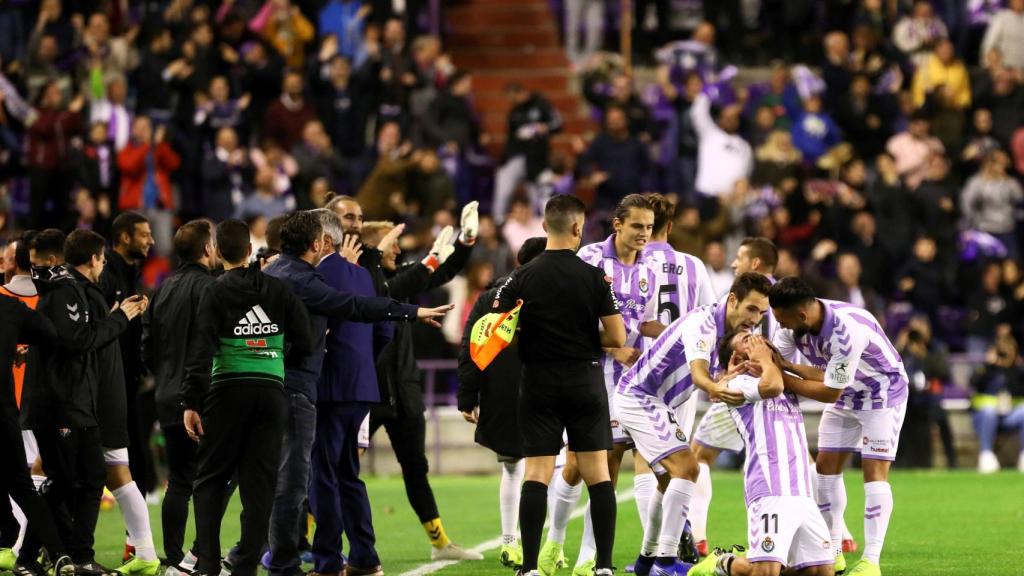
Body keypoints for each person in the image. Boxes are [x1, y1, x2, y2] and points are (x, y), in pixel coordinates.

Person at [264, 210, 449, 576]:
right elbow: (383, 332)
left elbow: (322, 325)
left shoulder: (315, 275)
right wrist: (362, 365)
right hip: (362, 386)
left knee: (323, 474)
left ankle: (329, 560)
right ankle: (364, 556)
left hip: (327, 387)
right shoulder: (362, 273)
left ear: (323, 240)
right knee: (348, 474)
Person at [492, 194, 626, 576]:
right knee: (598, 474)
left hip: (538, 381)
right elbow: (617, 337)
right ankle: (603, 566)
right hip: (585, 379)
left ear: (544, 226)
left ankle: (530, 567)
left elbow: (497, 331)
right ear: (578, 228)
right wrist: (583, 337)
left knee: (537, 472)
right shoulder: (594, 276)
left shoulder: (520, 277)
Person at [613, 273, 772, 576]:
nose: (755, 319)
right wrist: (715, 386)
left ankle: (647, 561)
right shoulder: (703, 323)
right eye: (752, 309)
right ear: (733, 300)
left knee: (668, 480)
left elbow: (710, 379)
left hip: (655, 402)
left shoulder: (728, 332)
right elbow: (700, 375)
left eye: (762, 313)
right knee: (688, 468)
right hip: (639, 396)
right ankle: (666, 563)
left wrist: (722, 380)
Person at [181, 219, 315, 576]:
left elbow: (200, 349)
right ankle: (245, 567)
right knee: (260, 486)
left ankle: (208, 565)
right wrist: (273, 356)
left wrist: (191, 402)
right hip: (271, 394)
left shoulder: (214, 291)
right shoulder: (278, 290)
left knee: (210, 480)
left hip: (227, 392)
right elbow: (306, 340)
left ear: (217, 251)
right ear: (249, 249)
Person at [356, 203, 481, 562]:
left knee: (416, 469)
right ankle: (304, 539)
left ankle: (440, 543)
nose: (398, 248)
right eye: (391, 243)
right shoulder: (360, 283)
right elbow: (392, 290)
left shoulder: (399, 276)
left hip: (404, 391)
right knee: (339, 468)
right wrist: (429, 259)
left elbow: (442, 273)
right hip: (367, 393)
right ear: (373, 248)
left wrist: (466, 242)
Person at [541, 194, 657, 576]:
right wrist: (612, 347)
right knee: (576, 464)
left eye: (649, 227)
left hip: (628, 383)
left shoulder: (650, 270)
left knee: (609, 463)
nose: (644, 233)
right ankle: (555, 540)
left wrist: (676, 334)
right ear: (617, 224)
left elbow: (643, 323)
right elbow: (570, 319)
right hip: (587, 372)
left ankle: (588, 556)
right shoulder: (589, 259)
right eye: (637, 225)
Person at [20, 229, 146, 576]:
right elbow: (78, 341)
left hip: (75, 401)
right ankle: (52, 555)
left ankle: (59, 556)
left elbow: (81, 338)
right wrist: (120, 319)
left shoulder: (73, 291)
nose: (104, 266)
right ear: (94, 259)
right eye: (103, 259)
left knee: (81, 480)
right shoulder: (65, 291)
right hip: (63, 402)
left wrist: (113, 318)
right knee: (76, 480)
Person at [769, 277, 909, 576]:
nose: (780, 325)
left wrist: (786, 377)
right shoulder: (791, 326)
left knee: (874, 473)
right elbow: (777, 366)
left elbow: (829, 391)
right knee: (825, 468)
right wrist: (778, 369)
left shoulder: (847, 332)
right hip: (846, 395)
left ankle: (871, 561)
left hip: (881, 395)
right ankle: (832, 552)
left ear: (802, 315)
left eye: (782, 320)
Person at [690, 332, 835, 576]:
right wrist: (766, 361)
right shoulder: (737, 383)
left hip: (802, 491)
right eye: (747, 339)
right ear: (738, 358)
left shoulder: (779, 377)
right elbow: (773, 387)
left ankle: (736, 562)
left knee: (820, 571)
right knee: (765, 572)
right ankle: (722, 564)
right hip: (770, 490)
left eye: (756, 336)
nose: (757, 338)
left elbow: (827, 380)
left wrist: (785, 364)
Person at [457, 237, 548, 568]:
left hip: (501, 390)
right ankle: (549, 544)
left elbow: (471, 345)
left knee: (514, 467)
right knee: (553, 466)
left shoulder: (490, 297)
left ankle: (511, 542)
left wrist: (468, 395)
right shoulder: (551, 294)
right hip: (546, 387)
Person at [634, 193, 716, 556]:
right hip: (684, 374)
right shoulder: (694, 265)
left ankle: (657, 546)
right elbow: (710, 319)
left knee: (644, 460)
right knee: (678, 457)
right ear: (670, 226)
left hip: (640, 370)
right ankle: (678, 534)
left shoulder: (632, 262)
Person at [142, 220, 219, 571]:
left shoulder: (162, 290)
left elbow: (147, 347)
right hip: (203, 396)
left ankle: (174, 559)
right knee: (214, 479)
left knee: (178, 480)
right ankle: (202, 554)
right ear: (207, 248)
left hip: (167, 394)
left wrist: (165, 376)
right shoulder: (212, 288)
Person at [0, 244, 73, 576]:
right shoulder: (9, 308)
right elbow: (51, 334)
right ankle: (58, 554)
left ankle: (10, 534)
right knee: (22, 485)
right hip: (4, 412)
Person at [95, 212, 159, 575]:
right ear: (123, 237)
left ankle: (136, 547)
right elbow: (102, 331)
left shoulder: (132, 274)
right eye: (144, 234)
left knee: (132, 463)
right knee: (107, 465)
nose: (151, 240)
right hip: (105, 388)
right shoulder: (106, 275)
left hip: (128, 386)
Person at [969, 333, 1024, 473]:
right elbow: (974, 381)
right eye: (1001, 350)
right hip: (984, 418)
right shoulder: (987, 368)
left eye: (1007, 350)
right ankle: (986, 454)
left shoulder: (1017, 370)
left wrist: (1012, 366)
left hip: (1008, 416)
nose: (1003, 354)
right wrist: (989, 365)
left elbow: (1019, 388)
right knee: (989, 411)